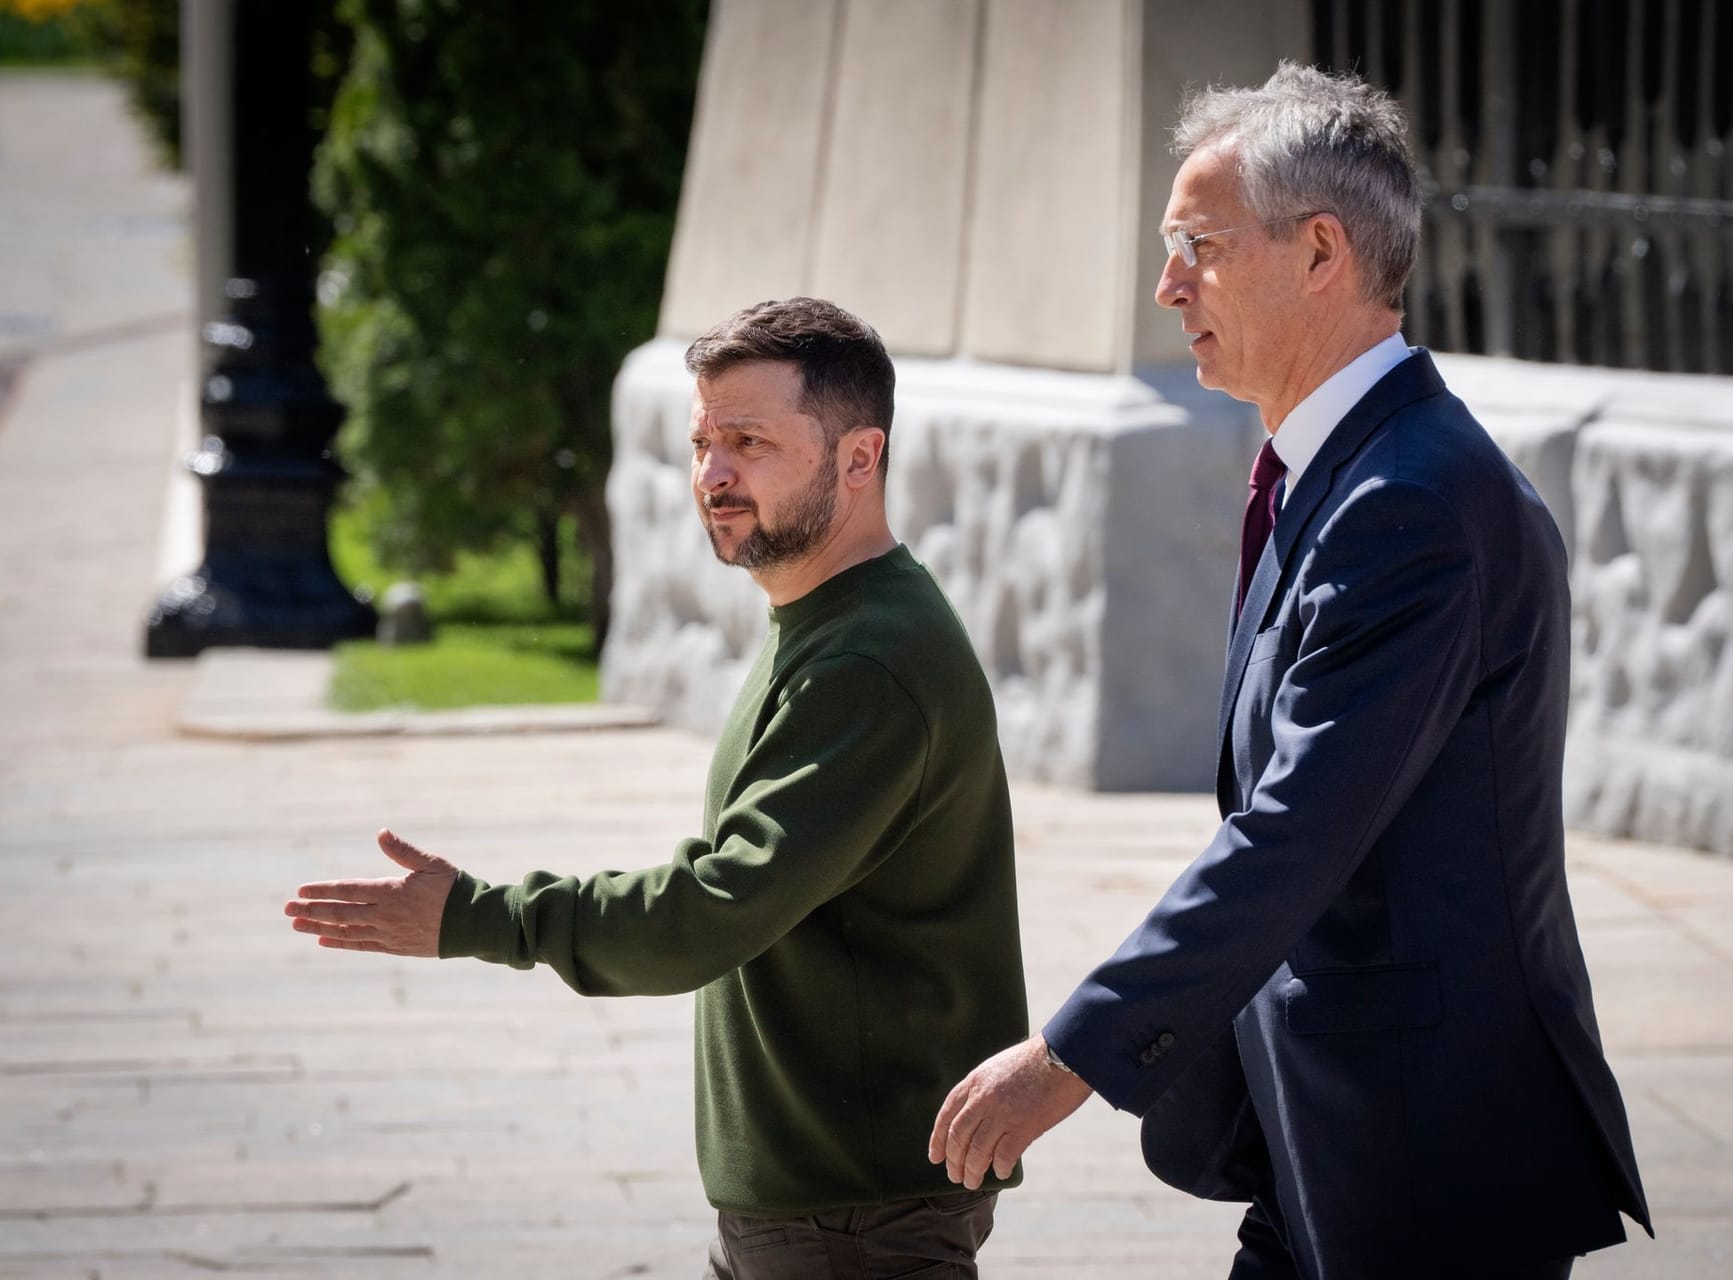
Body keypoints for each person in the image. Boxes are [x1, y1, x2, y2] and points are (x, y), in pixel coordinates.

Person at [928, 62, 1651, 1279]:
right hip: (1333, 1135)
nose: (1166, 285)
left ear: (1322, 251)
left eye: (1196, 246)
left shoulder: (1412, 502)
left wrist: (1065, 1057)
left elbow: (1293, 832)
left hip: (1427, 1157)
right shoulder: (1347, 473)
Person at [287, 297, 1028, 1279]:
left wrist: (482, 917)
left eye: (750, 441)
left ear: (859, 458)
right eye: (703, 441)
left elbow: (716, 905)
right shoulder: (829, 623)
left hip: (850, 1219)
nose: (713, 474)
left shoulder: (866, 662)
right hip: (822, 1204)